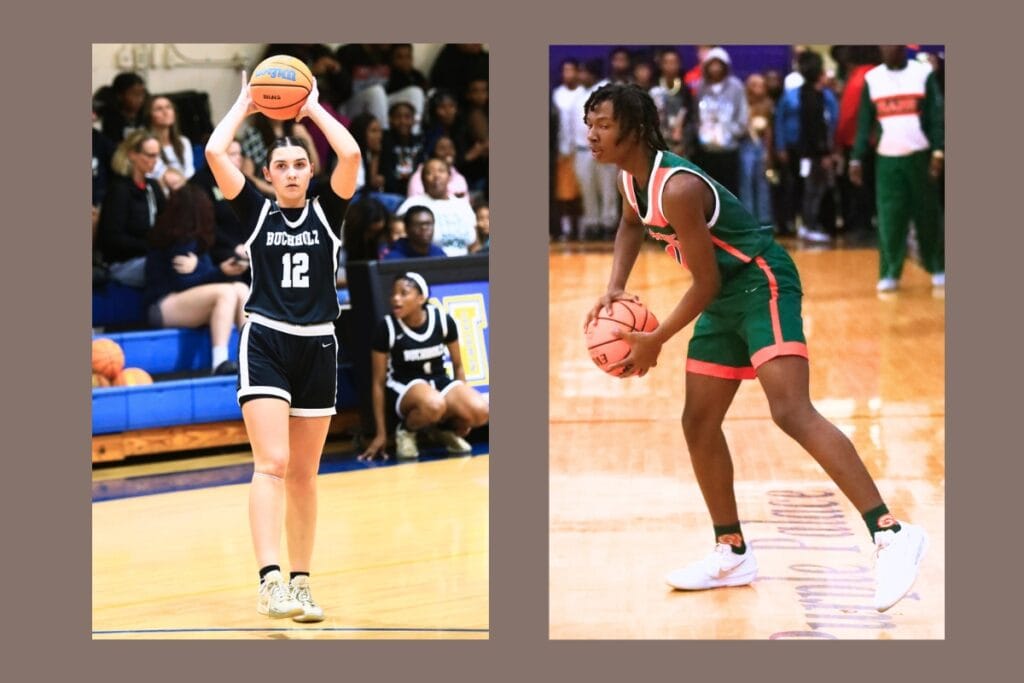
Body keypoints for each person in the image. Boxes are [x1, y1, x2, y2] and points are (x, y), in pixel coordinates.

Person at [581, 83, 927, 613]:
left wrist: (655, 341)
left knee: (791, 411)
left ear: (632, 126)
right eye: (590, 123)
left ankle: (891, 532)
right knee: (697, 421)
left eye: (602, 123)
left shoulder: (677, 187)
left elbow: (704, 285)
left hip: (760, 281)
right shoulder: (634, 181)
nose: (591, 134)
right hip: (723, 295)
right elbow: (631, 225)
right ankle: (732, 550)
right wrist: (615, 284)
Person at [205, 69, 360, 622]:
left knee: (304, 475)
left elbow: (351, 156)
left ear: (309, 172)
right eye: (281, 166)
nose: (292, 172)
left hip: (319, 345)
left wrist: (312, 108)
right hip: (267, 340)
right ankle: (269, 580)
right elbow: (215, 150)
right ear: (267, 175)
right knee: (271, 461)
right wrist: (246, 104)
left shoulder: (328, 211)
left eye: (300, 164)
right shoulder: (256, 211)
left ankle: (300, 582)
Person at [360, 272, 489, 460]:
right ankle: (406, 430)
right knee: (434, 403)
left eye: (404, 293)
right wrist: (381, 433)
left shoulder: (443, 320)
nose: (396, 298)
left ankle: (442, 432)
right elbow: (378, 383)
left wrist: (463, 413)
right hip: (403, 386)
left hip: (437, 381)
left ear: (421, 298)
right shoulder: (386, 327)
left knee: (481, 411)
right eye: (393, 294)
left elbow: (458, 365)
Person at [850, 45, 944, 292]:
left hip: (920, 156)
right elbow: (864, 123)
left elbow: (936, 116)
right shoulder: (873, 78)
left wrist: (938, 150)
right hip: (887, 159)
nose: (886, 48)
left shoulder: (922, 74)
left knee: (928, 214)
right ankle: (890, 272)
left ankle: (937, 266)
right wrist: (856, 158)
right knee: (890, 216)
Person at [143, 185, 248, 375]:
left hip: (182, 301)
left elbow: (200, 276)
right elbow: (183, 283)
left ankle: (253, 357)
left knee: (241, 288)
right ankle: (219, 361)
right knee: (225, 292)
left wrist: (210, 270)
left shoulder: (196, 241)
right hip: (162, 304)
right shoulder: (178, 241)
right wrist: (219, 271)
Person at [774, 50, 838, 243]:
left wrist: (831, 148)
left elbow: (833, 120)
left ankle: (815, 223)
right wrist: (781, 146)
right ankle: (802, 224)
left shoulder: (825, 96)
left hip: (815, 150)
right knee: (800, 188)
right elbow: (779, 120)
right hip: (797, 149)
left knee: (817, 187)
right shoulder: (792, 95)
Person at [98, 130, 166, 287]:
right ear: (132, 155)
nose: (155, 161)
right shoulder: (119, 190)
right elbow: (113, 239)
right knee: (168, 268)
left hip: (151, 256)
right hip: (123, 263)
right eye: (150, 155)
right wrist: (151, 247)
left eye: (157, 155)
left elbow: (166, 221)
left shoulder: (153, 186)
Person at [396, 159, 477, 255]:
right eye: (429, 173)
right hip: (431, 265)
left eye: (441, 171)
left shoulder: (463, 205)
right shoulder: (412, 204)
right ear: (423, 180)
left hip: (466, 265)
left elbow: (475, 243)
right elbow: (399, 237)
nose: (436, 176)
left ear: (449, 177)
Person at [144, 95, 196, 190]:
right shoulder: (146, 145)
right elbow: (148, 175)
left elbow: (190, 172)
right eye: (159, 109)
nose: (165, 112)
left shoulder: (183, 142)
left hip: (184, 191)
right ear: (150, 115)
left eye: (168, 107)